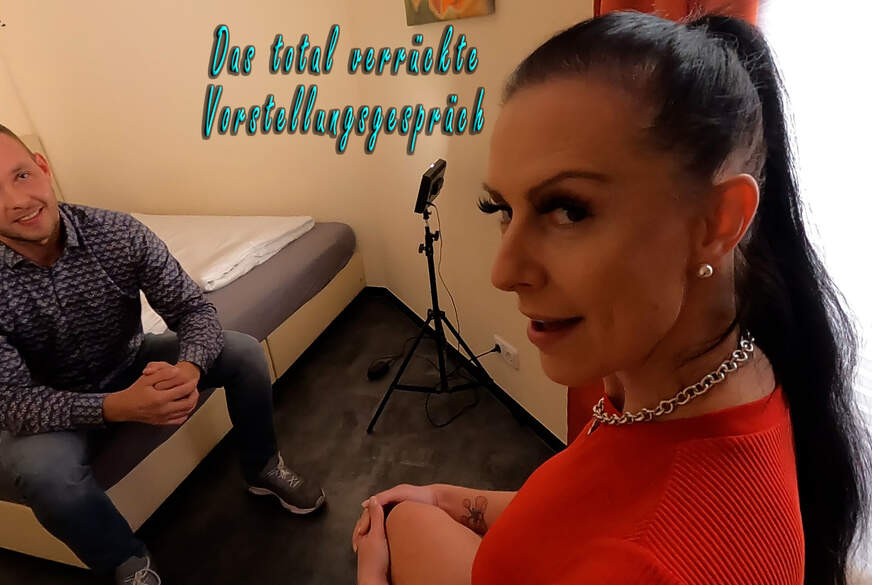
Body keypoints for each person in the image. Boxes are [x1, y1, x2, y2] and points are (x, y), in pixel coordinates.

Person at [352, 12, 870, 585]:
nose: (504, 271)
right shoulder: (714, 369)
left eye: (569, 210)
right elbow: (588, 505)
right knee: (405, 516)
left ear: (717, 223)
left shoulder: (651, 564)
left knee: (391, 530)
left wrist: (372, 574)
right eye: (501, 209)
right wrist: (451, 499)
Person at [0, 124, 326, 585]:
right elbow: (11, 400)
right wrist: (118, 406)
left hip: (127, 359)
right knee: (43, 474)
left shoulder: (116, 232)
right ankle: (126, 562)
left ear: (42, 167)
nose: (17, 201)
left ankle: (262, 467)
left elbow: (193, 309)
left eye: (21, 176)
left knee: (244, 352)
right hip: (48, 402)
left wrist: (189, 367)